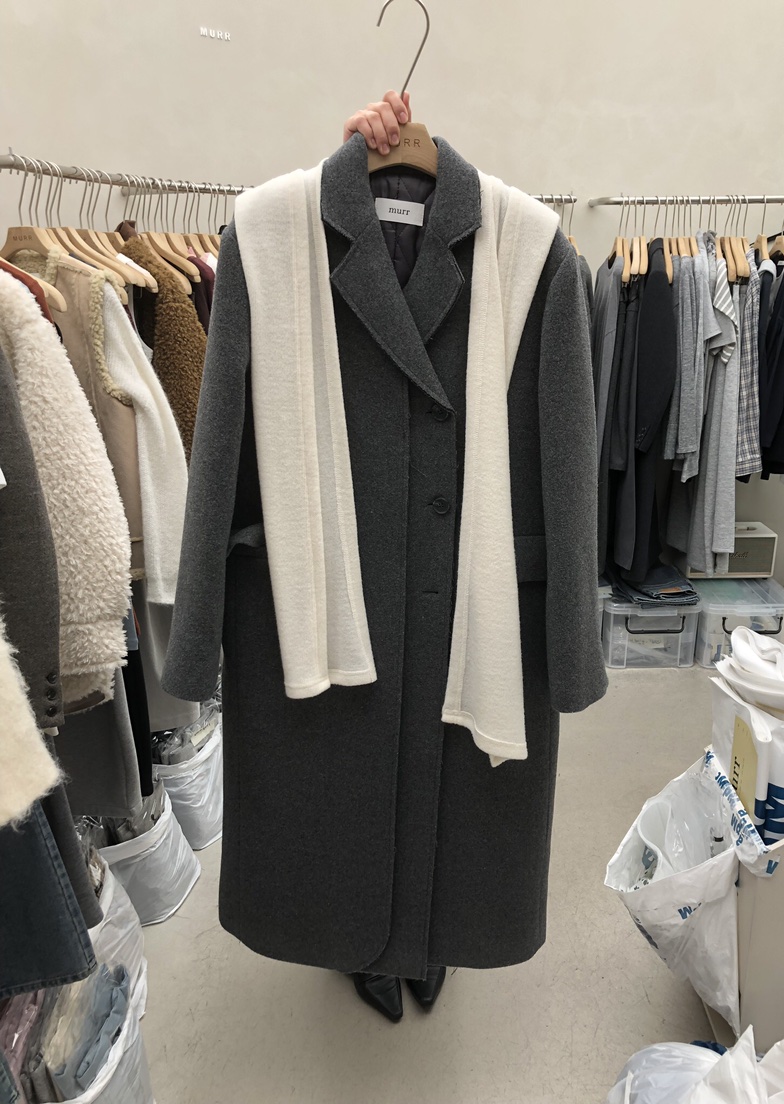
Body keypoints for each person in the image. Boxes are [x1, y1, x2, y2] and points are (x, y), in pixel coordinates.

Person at [338, 90, 448, 1024]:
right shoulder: (287, 239)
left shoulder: (526, 249)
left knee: (443, 770)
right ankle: (363, 938)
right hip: (338, 561)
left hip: (460, 566)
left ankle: (423, 933)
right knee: (354, 768)